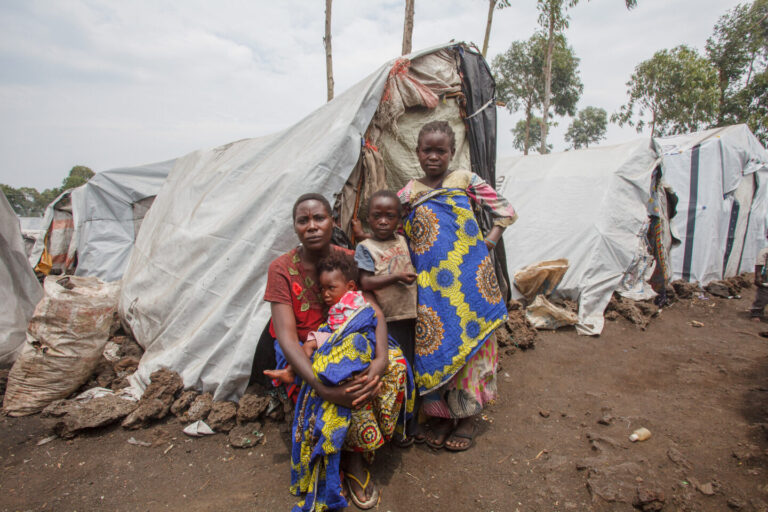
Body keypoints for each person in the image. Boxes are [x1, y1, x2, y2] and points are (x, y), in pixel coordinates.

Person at [264, 193, 411, 511]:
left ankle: (357, 455)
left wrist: (381, 358)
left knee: (390, 368)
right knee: (335, 381)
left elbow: (374, 313)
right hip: (307, 346)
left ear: (332, 220)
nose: (312, 226)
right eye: (303, 220)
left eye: (319, 218)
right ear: (295, 227)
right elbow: (288, 339)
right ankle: (344, 464)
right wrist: (319, 385)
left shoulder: (350, 257)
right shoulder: (281, 269)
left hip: (354, 335)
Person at [398, 120, 517, 451]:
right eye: (427, 150)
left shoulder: (465, 180)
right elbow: (391, 230)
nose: (433, 157)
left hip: (471, 282)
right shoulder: (407, 193)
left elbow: (504, 212)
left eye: (441, 151)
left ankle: (466, 418)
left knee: (474, 351)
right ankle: (441, 416)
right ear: (417, 152)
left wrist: (487, 246)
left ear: (452, 153)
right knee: (438, 347)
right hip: (431, 288)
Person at [353, 189, 422, 445]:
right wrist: (395, 277)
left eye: (389, 216)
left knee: (413, 372)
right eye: (377, 216)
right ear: (369, 218)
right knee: (396, 374)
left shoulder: (403, 241)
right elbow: (366, 281)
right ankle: (398, 426)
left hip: (411, 318)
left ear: (399, 219)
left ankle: (412, 422)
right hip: (387, 324)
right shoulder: (365, 248)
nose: (383, 221)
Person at [751, 242, 768, 321]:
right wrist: (758, 276)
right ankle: (756, 312)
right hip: (766, 279)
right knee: (762, 297)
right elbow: (759, 264)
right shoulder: (765, 251)